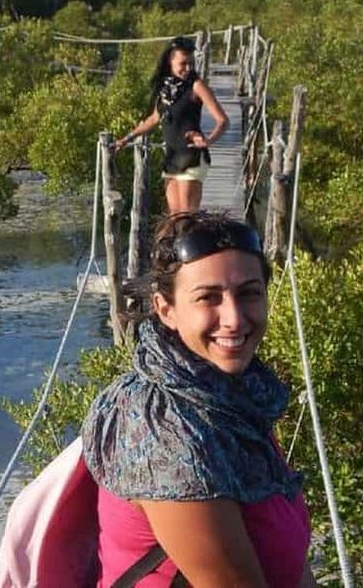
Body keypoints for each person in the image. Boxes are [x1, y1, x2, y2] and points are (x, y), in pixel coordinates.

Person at [82, 210, 316, 587]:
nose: (235, 319)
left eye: (249, 294)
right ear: (166, 309)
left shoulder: (235, 397)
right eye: (208, 297)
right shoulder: (162, 428)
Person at [115, 37, 230, 215]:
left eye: (191, 63)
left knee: (187, 216)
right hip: (172, 158)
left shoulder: (197, 86)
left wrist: (208, 140)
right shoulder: (165, 89)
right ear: (170, 60)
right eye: (183, 63)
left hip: (191, 157)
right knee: (175, 217)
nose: (188, 68)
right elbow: (154, 118)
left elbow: (223, 120)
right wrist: (126, 138)